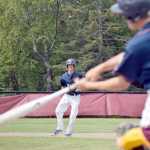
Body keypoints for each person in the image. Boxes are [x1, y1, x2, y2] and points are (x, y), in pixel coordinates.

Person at [75, 0, 150, 149]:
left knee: (129, 142)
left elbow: (122, 83)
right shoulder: (142, 42)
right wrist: (100, 68)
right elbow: (128, 55)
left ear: (134, 17)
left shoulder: (139, 43)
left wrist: (88, 85)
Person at [52, 58, 82, 136]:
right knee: (58, 110)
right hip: (67, 96)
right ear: (67, 66)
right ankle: (60, 128)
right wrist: (62, 91)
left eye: (72, 65)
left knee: (73, 114)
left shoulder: (78, 75)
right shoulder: (63, 76)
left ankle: (69, 131)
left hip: (75, 97)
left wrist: (79, 88)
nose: (70, 67)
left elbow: (81, 86)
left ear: (74, 66)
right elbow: (63, 87)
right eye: (69, 65)